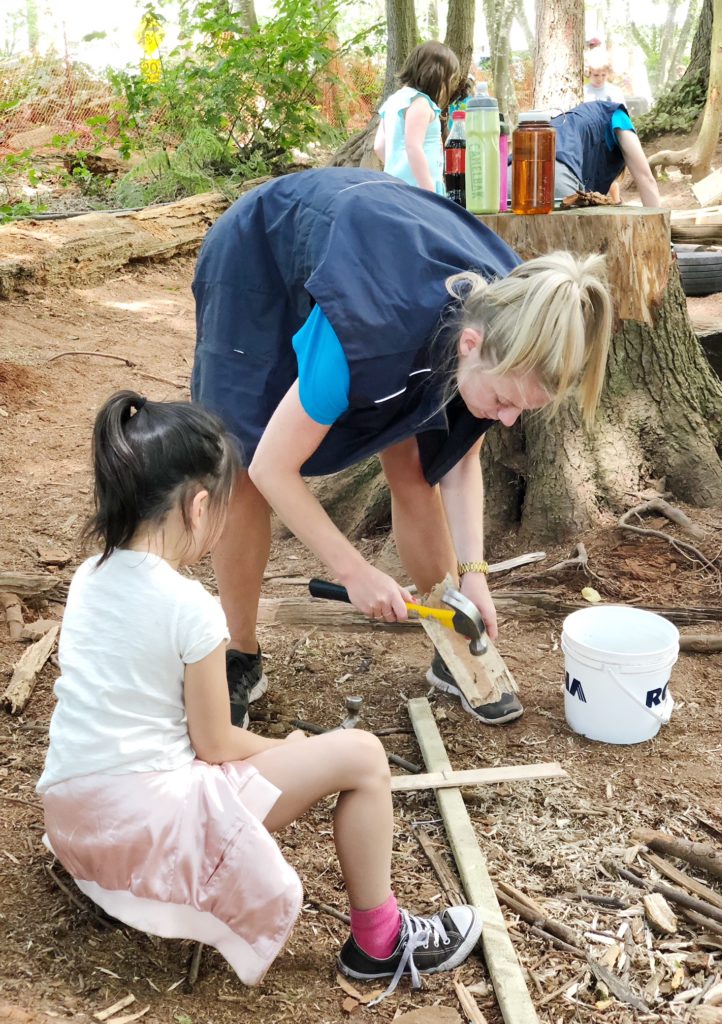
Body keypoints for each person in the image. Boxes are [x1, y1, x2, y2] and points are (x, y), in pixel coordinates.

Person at [36, 391, 483, 1002]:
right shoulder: (190, 607)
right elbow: (214, 742)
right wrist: (288, 744)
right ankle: (380, 943)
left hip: (74, 818)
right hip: (144, 829)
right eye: (221, 507)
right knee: (363, 757)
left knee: (285, 759)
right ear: (197, 508)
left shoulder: (90, 575)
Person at [191, 166, 614, 728]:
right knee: (243, 460)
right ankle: (240, 653)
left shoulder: (517, 315)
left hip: (384, 259)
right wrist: (354, 572)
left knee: (418, 464)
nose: (508, 422)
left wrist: (474, 577)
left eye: (522, 409)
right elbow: (274, 467)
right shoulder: (366, 329)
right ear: (470, 345)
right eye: (506, 400)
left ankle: (449, 631)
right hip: (260, 260)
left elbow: (458, 464)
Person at [374, 41, 459, 193]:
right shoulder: (420, 103)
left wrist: (399, 169)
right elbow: (413, 146)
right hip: (421, 188)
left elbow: (379, 146)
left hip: (398, 186)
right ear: (436, 75)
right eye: (449, 79)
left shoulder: (393, 100)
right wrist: (429, 190)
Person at [551, 100, 661, 207]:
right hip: (559, 166)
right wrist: (658, 221)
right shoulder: (619, 117)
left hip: (538, 154)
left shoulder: (585, 124)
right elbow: (645, 178)